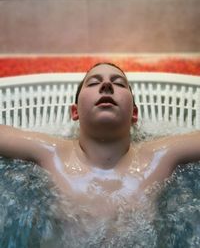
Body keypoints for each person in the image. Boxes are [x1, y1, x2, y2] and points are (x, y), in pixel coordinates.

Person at [0, 62, 200, 217]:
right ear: (75, 111)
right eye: (94, 83)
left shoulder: (159, 156)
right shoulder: (51, 153)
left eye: (119, 83)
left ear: (134, 114)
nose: (106, 85)